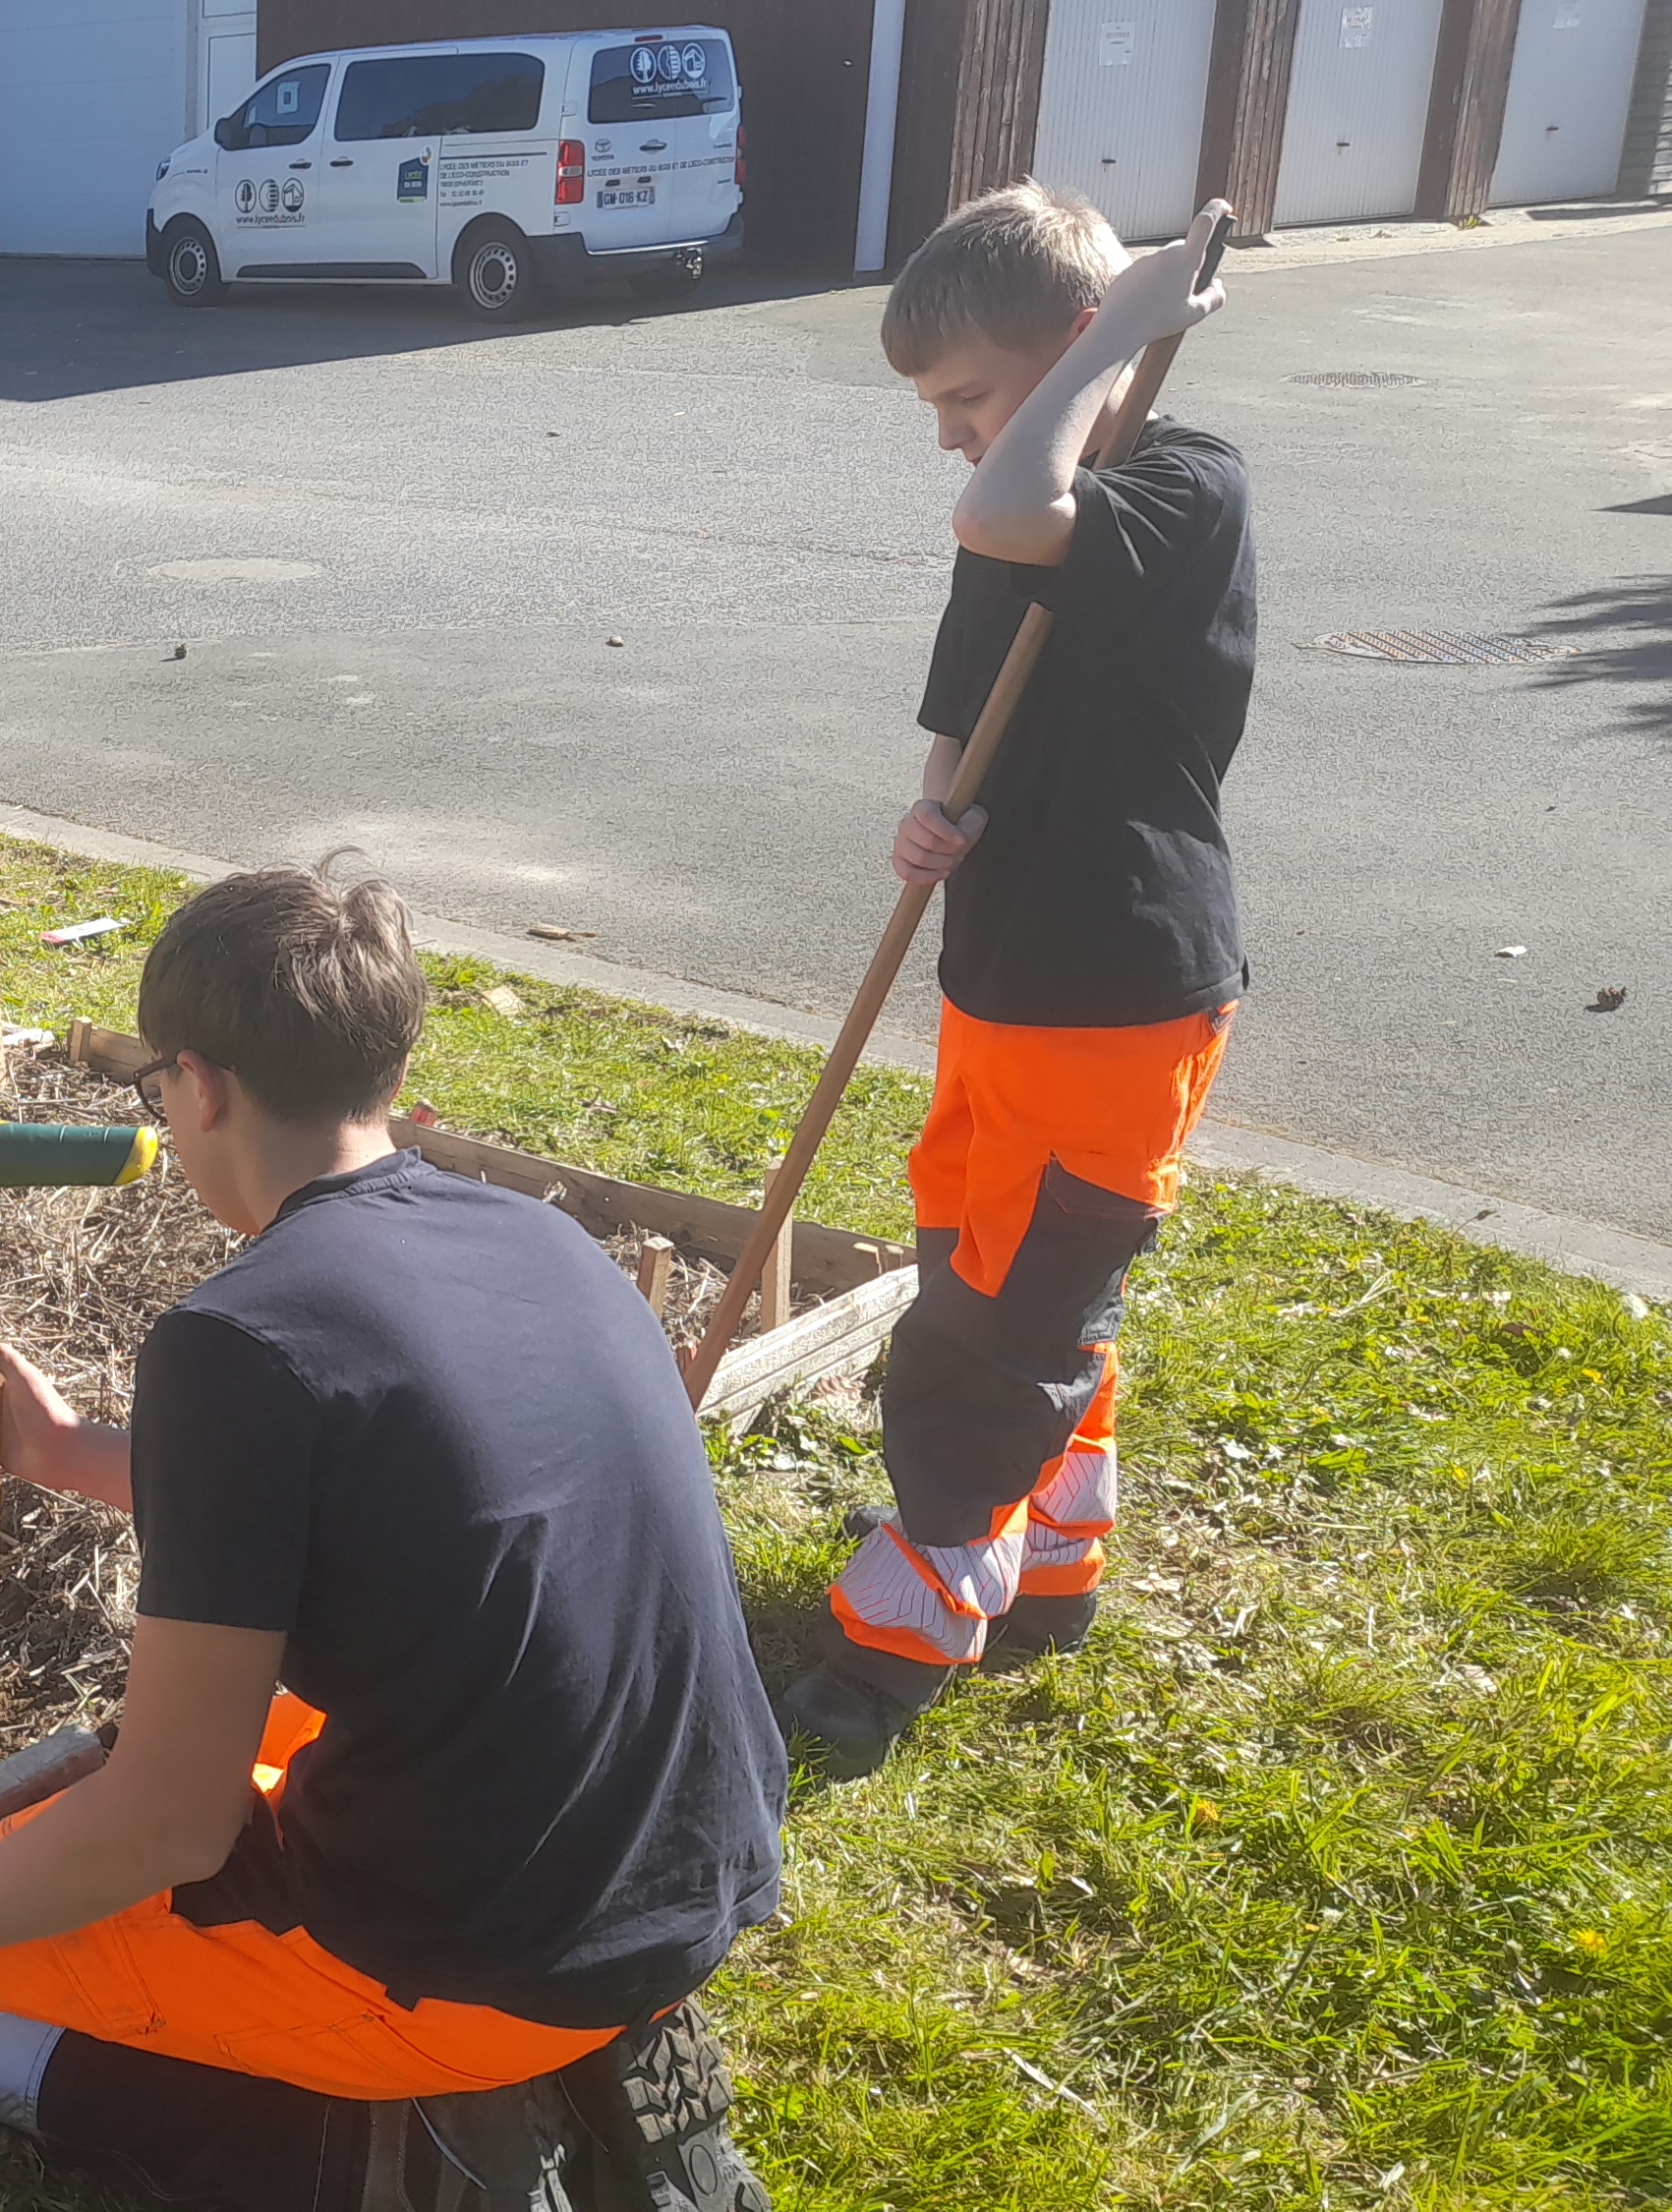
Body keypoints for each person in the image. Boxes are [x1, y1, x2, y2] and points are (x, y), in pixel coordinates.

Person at [0, 868, 783, 2207]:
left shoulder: (236, 1338)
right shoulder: (534, 1239)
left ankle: (335, 2135)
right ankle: (493, 2050)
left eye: (161, 1079)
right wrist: (60, 1454)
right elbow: (381, 1492)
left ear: (200, 1086)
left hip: (477, 1961)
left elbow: (164, 1823)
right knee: (260, 1732)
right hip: (685, 1870)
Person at [772, 185, 1251, 1779]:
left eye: (972, 399)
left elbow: (1008, 514)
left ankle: (908, 1627)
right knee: (1009, 1268)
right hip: (1005, 973)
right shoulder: (1018, 497)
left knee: (987, 1321)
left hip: (1115, 987)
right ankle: (1047, 1555)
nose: (956, 441)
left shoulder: (1180, 487)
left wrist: (1128, 324)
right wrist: (935, 806)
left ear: (1079, 349)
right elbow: (968, 690)